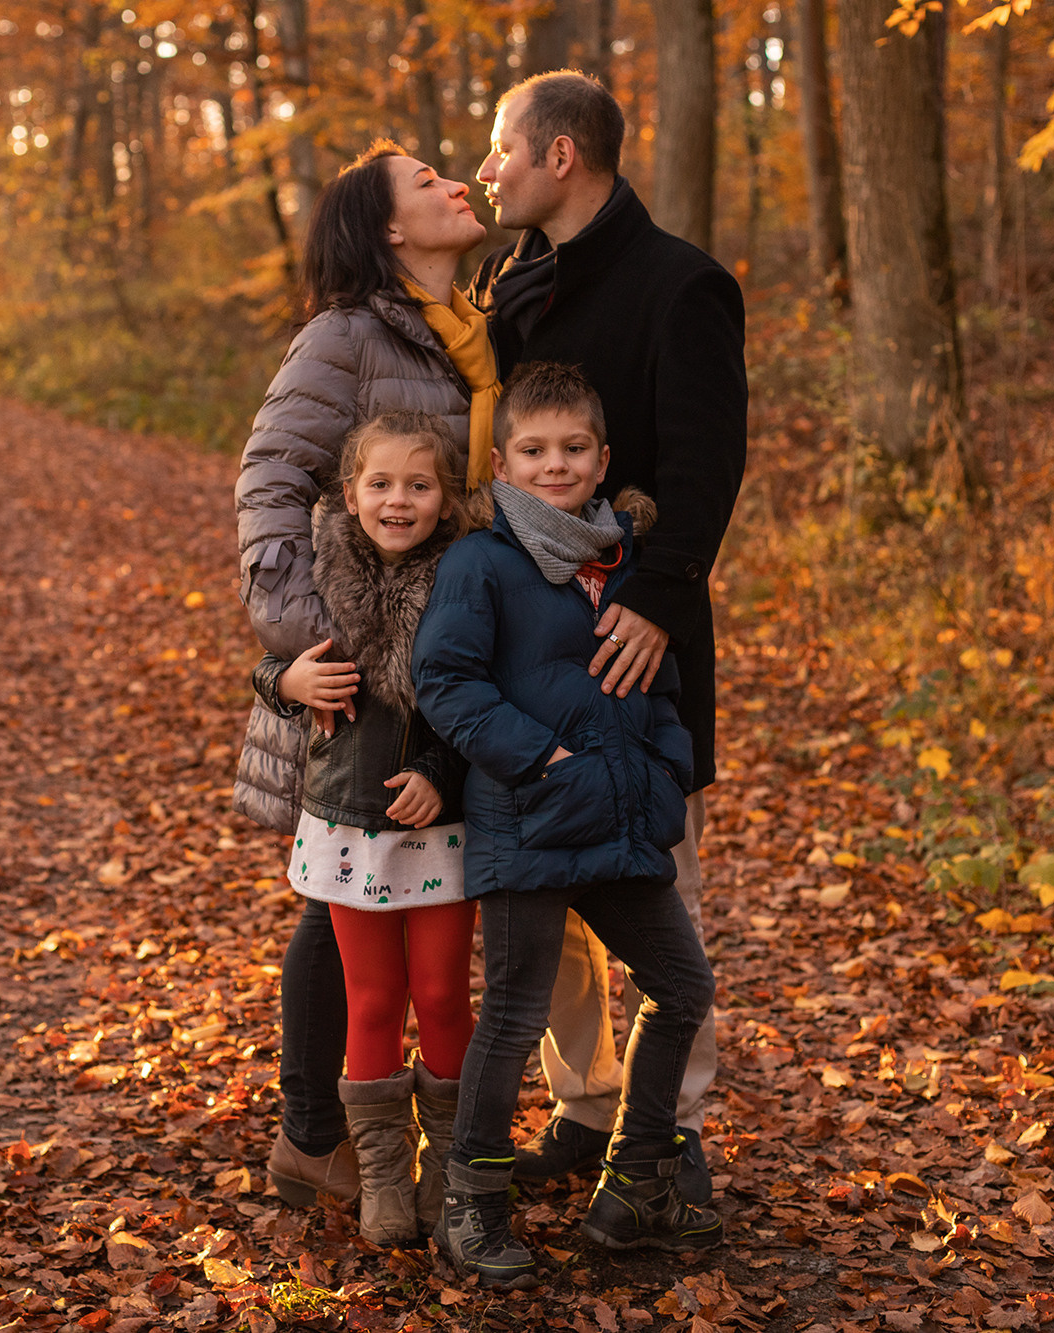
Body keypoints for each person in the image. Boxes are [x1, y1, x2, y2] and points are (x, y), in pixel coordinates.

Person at [468, 70, 748, 1198]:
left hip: (638, 638)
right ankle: (586, 1106)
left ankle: (666, 1132)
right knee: (548, 888)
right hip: (522, 644)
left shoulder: (680, 285)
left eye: (501, 147)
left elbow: (706, 464)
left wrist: (658, 598)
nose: (486, 169)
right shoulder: (509, 285)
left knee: (653, 881)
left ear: (561, 154)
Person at [231, 141, 498, 1209]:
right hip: (359, 673)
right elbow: (270, 479)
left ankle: (418, 1154)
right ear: (388, 228)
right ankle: (312, 1134)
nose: (454, 184)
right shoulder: (344, 335)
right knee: (338, 900)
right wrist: (322, 642)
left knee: (391, 913)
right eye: (427, 181)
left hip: (455, 666)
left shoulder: (467, 329)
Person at [414, 362, 721, 1289]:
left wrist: (663, 769)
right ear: (502, 464)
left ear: (603, 458)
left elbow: (660, 681)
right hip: (531, 823)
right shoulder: (481, 562)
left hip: (621, 820)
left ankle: (636, 1184)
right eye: (536, 450)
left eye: (574, 448)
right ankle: (471, 1202)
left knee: (681, 985)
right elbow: (446, 682)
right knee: (513, 1015)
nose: (556, 465)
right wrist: (542, 759)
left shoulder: (624, 560)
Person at [251, 412, 478, 1245]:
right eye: (380, 484)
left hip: (440, 824)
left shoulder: (466, 576)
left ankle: (450, 1168)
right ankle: (384, 1175)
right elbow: (269, 663)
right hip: (347, 824)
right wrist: (285, 682)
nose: (398, 500)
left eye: (419, 485)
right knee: (374, 997)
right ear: (350, 495)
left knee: (443, 993)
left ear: (445, 498)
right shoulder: (320, 572)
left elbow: (482, 693)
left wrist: (440, 773)